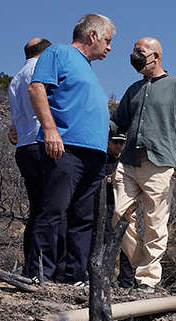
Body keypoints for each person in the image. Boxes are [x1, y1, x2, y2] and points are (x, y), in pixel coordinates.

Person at [110, 37, 176, 294]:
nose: (134, 56)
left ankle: (148, 280)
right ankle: (144, 264)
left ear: (156, 55)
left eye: (139, 52)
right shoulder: (133, 90)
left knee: (155, 224)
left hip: (160, 165)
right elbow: (118, 124)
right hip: (128, 163)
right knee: (118, 216)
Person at [27, 14, 114, 285]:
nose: (109, 48)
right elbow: (36, 87)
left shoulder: (88, 68)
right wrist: (50, 129)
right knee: (53, 211)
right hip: (66, 148)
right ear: (93, 35)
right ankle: (40, 274)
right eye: (108, 40)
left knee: (84, 218)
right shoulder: (58, 53)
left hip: (94, 155)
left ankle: (74, 277)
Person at [8, 38, 51, 277]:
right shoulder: (39, 72)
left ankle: (31, 266)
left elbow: (14, 124)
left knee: (36, 209)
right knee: (51, 209)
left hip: (23, 147)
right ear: (45, 52)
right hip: (40, 143)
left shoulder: (15, 79)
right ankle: (43, 268)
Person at [103, 133, 136, 289]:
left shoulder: (128, 162)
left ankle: (126, 281)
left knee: (128, 242)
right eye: (115, 141)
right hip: (108, 205)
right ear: (108, 142)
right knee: (108, 241)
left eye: (122, 142)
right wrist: (111, 178)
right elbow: (98, 181)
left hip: (127, 206)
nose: (118, 145)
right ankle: (105, 277)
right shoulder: (101, 159)